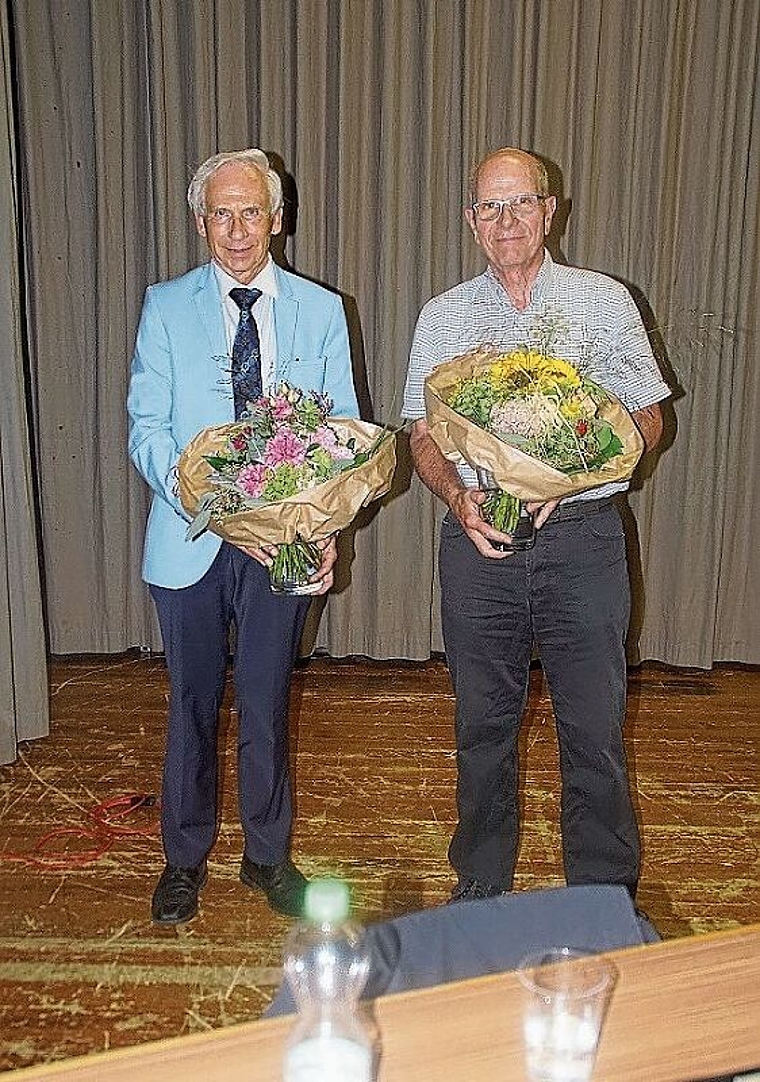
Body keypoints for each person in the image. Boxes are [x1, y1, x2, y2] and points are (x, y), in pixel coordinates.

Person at [402, 147, 669, 902]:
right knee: (481, 731)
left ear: (550, 211)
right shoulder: (443, 315)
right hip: (478, 540)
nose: (506, 219)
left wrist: (572, 471)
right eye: (490, 206)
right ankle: (480, 889)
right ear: (470, 220)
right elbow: (422, 432)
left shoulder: (604, 302)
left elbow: (648, 417)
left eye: (520, 202)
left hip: (583, 541)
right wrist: (459, 499)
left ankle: (604, 895)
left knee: (595, 733)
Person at [128, 148, 358, 924]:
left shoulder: (322, 311)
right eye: (220, 213)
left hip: (283, 544)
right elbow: (147, 432)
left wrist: (322, 527)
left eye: (250, 211)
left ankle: (267, 858)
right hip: (188, 541)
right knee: (191, 705)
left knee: (266, 704)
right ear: (201, 222)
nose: (235, 228)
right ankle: (183, 860)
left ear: (277, 219)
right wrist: (218, 503)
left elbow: (339, 437)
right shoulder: (164, 307)